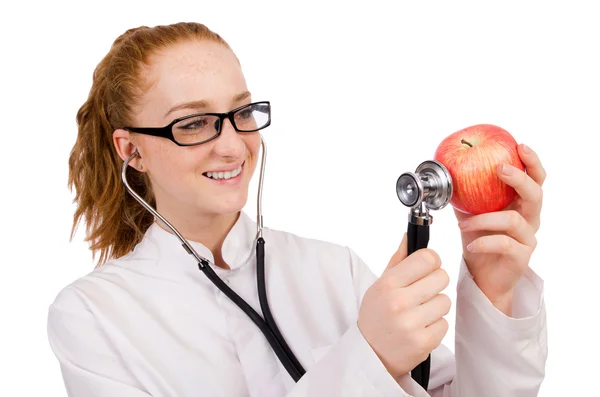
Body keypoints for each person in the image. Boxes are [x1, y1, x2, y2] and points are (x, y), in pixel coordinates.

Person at [47, 22, 548, 397]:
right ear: (131, 149)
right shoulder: (93, 317)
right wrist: (368, 357)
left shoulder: (335, 270)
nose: (232, 146)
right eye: (195, 123)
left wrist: (493, 294)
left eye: (242, 113)